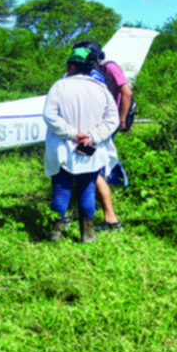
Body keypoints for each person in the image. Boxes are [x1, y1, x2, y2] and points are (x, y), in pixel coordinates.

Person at [43, 47, 119, 243]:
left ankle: (54, 234)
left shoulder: (59, 87)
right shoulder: (101, 89)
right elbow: (113, 120)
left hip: (62, 149)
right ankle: (87, 235)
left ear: (72, 66)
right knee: (87, 190)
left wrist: (73, 134)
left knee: (61, 190)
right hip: (91, 151)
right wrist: (92, 137)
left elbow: (50, 116)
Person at [72, 40, 131, 232]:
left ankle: (110, 218)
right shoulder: (93, 73)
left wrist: (121, 119)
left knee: (93, 169)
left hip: (99, 128)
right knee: (91, 166)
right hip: (96, 127)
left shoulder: (106, 70)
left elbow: (126, 92)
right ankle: (94, 209)